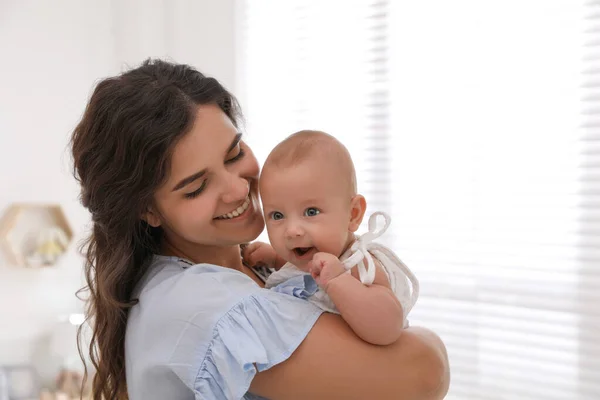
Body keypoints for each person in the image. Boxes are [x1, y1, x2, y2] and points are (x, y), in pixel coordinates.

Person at [70, 58, 449, 400]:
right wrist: (420, 337)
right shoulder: (198, 303)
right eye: (197, 186)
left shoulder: (263, 267)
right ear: (148, 210)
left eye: (234, 154)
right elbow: (424, 373)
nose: (238, 188)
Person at [242, 130, 419, 346]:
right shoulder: (312, 258)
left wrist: (337, 281)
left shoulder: (357, 264)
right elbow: (304, 272)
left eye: (311, 212)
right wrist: (275, 258)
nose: (292, 230)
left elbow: (388, 328)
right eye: (277, 215)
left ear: (353, 214)